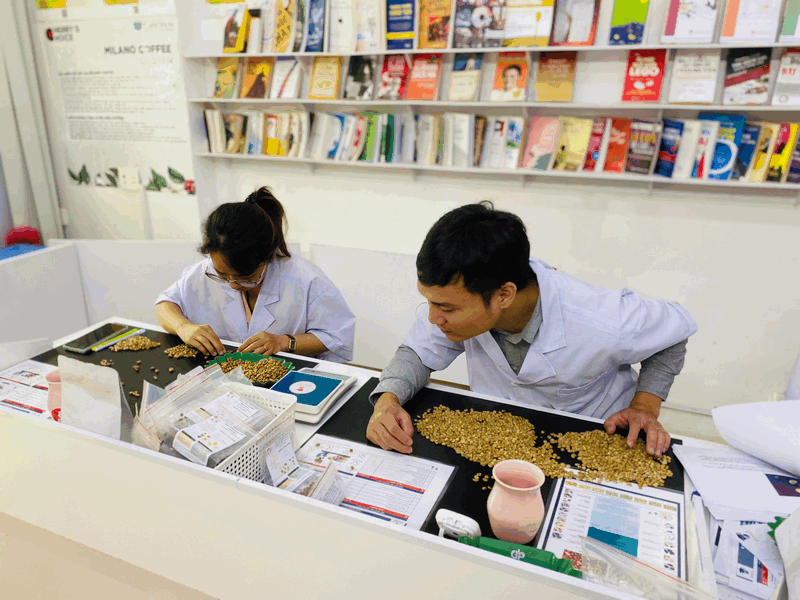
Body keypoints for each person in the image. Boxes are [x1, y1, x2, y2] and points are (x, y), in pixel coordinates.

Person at [366, 202, 697, 457]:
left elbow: (674, 333)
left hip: (599, 438)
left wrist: (644, 408)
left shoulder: (602, 318)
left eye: (446, 308)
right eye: (429, 303)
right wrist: (388, 399)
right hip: (504, 438)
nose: (432, 318)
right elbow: (417, 352)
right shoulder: (461, 299)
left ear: (504, 295)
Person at [155, 187, 355, 363]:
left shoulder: (307, 281)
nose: (232, 285)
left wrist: (283, 342)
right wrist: (183, 326)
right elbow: (164, 305)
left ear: (269, 257)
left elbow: (338, 337)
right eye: (222, 275)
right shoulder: (204, 272)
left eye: (245, 277)